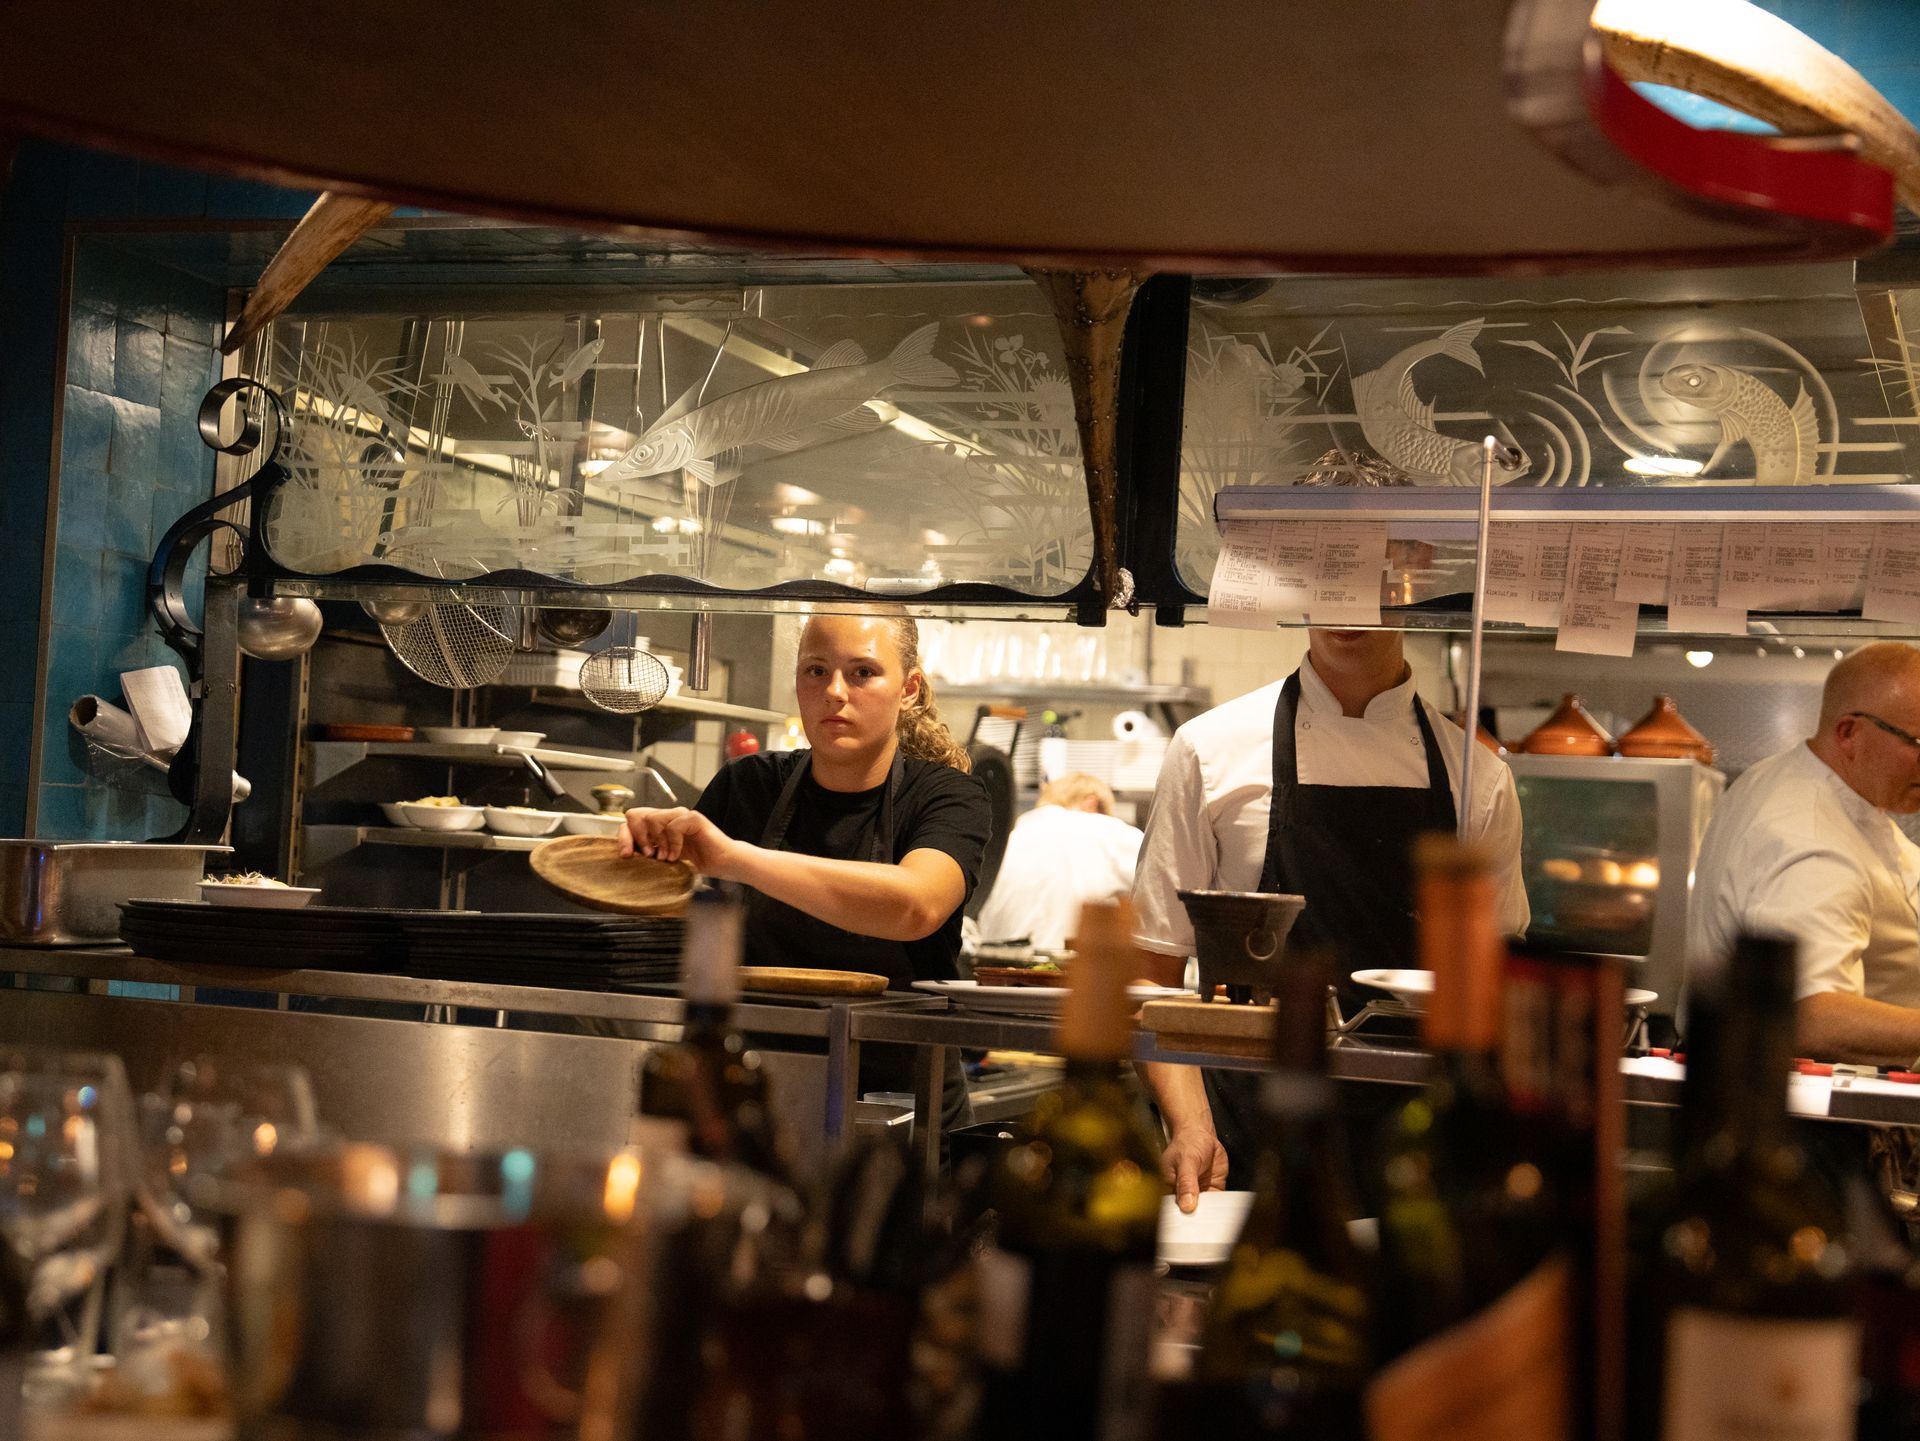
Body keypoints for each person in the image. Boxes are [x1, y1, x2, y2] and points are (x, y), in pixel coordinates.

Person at [1133, 627, 1529, 1209]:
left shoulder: (1479, 777)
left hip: (1412, 1157)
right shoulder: (1208, 749)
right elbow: (1152, 974)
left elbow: (1495, 991)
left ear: (1408, 588)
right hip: (1244, 1139)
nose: (1349, 612)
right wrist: (1191, 1127)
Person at [621, 611, 993, 1126]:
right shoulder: (748, 786)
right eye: (815, 671)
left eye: (862, 672)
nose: (835, 691)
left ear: (908, 689)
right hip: (750, 1098)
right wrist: (642, 856)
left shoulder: (945, 795)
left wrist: (734, 858)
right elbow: (671, 918)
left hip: (903, 1112)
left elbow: (915, 905)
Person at [1690, 641, 1920, 1066]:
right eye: (1918, 741)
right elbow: (1812, 1016)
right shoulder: (1813, 842)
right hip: (1815, 1119)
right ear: (1849, 732)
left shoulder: (1793, 778)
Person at [974, 773, 1144, 951]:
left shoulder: (1007, 840)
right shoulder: (1110, 831)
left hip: (995, 968)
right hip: (1072, 970)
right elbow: (1157, 890)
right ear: (1091, 803)